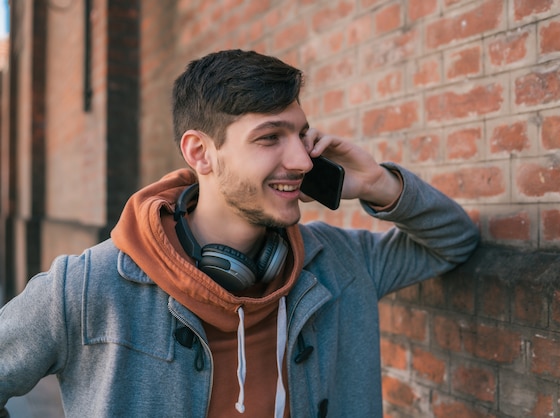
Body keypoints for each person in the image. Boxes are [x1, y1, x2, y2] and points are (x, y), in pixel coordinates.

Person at [0, 49, 479, 418]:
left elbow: (454, 242)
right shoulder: (87, 287)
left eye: (301, 135)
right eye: (270, 137)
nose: (302, 161)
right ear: (201, 153)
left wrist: (379, 184)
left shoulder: (339, 263)